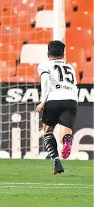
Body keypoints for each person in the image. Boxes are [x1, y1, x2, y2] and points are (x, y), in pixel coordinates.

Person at [35, 40, 78, 174]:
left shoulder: (44, 65)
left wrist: (43, 101)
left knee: (48, 131)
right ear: (63, 55)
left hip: (53, 98)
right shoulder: (71, 67)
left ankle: (56, 162)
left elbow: (46, 80)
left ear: (48, 54)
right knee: (64, 135)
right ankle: (67, 140)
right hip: (71, 99)